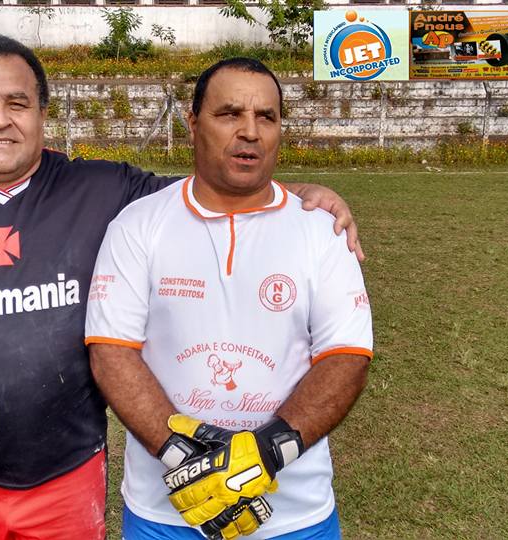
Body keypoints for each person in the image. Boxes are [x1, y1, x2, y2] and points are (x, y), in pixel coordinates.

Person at [0, 35, 362, 539]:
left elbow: (216, 186)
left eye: (18, 103)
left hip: (67, 474)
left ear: (43, 112)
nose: (0, 119)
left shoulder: (101, 190)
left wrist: (301, 196)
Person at [85, 57, 373, 539]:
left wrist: (268, 451)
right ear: (193, 123)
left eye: (266, 117)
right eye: (229, 114)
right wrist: (186, 457)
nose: (250, 132)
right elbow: (112, 352)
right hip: (166, 513)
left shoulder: (321, 231)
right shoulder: (138, 225)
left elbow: (347, 357)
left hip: (295, 515)